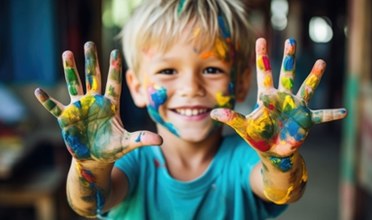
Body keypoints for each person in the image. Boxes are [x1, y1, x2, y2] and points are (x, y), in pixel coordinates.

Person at [34, 0, 347, 219]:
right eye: (168, 71)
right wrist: (90, 165)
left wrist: (278, 158)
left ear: (241, 83)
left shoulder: (244, 160)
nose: (191, 87)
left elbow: (282, 190)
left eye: (211, 70)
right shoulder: (132, 165)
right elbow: (87, 205)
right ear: (137, 86)